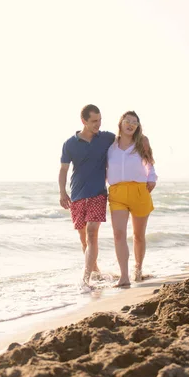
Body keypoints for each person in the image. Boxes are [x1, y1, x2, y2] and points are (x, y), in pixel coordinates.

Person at [59, 104, 115, 286]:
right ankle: (95, 270)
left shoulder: (106, 138)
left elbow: (128, 141)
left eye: (99, 120)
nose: (98, 124)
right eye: (93, 121)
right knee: (83, 239)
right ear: (83, 121)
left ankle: (86, 279)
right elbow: (63, 170)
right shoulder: (69, 144)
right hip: (77, 195)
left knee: (92, 233)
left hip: (98, 193)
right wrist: (62, 192)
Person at [107, 111, 157, 286]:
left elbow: (150, 163)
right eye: (127, 121)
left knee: (138, 235)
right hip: (117, 193)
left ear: (137, 126)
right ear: (120, 123)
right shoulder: (110, 145)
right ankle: (124, 276)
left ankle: (138, 268)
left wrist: (152, 179)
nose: (130, 124)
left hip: (139, 191)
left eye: (134, 122)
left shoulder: (141, 142)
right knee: (119, 234)